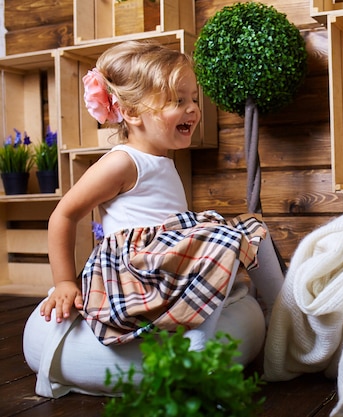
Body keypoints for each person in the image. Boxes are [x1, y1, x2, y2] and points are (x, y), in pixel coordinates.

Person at [22, 40, 284, 398]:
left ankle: (286, 319)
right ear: (131, 112)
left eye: (194, 98)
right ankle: (197, 350)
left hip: (165, 258)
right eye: (178, 101)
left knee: (250, 227)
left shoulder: (161, 158)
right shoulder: (122, 162)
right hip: (135, 270)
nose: (193, 109)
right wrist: (65, 282)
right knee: (221, 237)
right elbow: (64, 214)